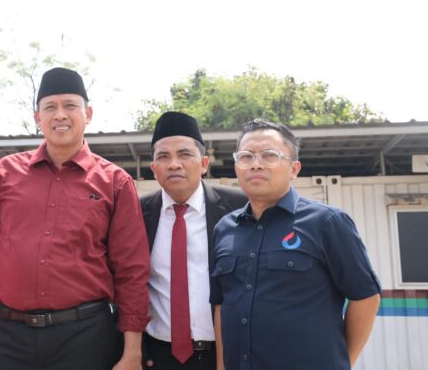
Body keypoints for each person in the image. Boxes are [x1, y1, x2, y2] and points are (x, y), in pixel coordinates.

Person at [0, 67, 151, 370]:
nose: (60, 115)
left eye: (70, 105)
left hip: (84, 338)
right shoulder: (6, 173)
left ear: (88, 114)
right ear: (37, 117)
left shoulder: (114, 182)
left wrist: (132, 351)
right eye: (50, 107)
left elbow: (131, 270)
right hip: (9, 336)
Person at [210, 119, 381, 370]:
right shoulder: (225, 229)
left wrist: (343, 361)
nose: (256, 164)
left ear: (294, 168)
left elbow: (365, 297)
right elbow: (222, 303)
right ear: (236, 167)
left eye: (269, 155)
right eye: (246, 156)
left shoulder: (327, 222)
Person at [140, 112, 246, 370]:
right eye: (163, 157)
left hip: (224, 355)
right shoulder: (137, 213)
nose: (174, 164)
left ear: (204, 163)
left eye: (184, 154)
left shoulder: (239, 207)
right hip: (158, 357)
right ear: (153, 168)